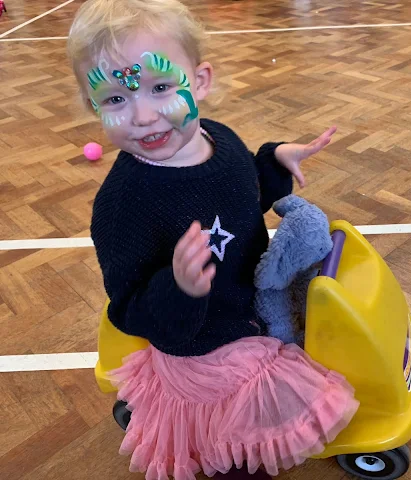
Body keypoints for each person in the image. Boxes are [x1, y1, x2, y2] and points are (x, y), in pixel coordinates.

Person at [67, 1, 359, 479]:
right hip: (208, 354)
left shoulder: (217, 139)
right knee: (240, 456)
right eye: (115, 99)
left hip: (253, 307)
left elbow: (242, 194)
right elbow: (128, 308)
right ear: (93, 106)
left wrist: (273, 161)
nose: (143, 115)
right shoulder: (122, 206)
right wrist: (178, 287)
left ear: (199, 81)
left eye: (161, 87)